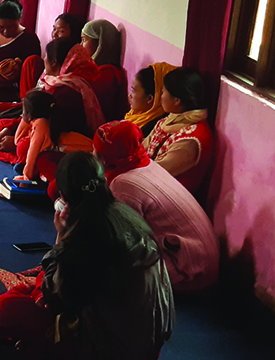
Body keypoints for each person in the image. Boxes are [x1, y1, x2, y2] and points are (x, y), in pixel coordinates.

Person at [0, 152, 174, 360]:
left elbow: (54, 297)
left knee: (7, 308)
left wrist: (61, 239)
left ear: (64, 197)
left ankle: (47, 352)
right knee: (37, 289)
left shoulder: (85, 237)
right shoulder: (126, 216)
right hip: (149, 349)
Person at [94, 121, 219, 292]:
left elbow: (122, 242)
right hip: (201, 262)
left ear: (103, 157)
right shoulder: (145, 164)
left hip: (190, 272)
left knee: (98, 267)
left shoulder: (123, 185)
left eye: (95, 150)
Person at [142, 67, 213, 193]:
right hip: (148, 183)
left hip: (166, 197)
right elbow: (142, 148)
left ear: (176, 100)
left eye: (163, 92)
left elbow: (158, 173)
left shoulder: (192, 139)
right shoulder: (167, 120)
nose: (161, 97)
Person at [4, 90, 94, 183]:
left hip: (87, 156)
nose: (22, 115)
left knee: (41, 160)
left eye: (23, 112)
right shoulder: (42, 122)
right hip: (71, 155)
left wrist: (26, 176)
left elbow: (33, 151)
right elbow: (17, 140)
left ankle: (62, 184)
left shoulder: (41, 124)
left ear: (30, 115)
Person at [124, 62, 177, 137]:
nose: (130, 95)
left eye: (134, 90)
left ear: (149, 98)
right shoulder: (136, 115)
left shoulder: (153, 130)